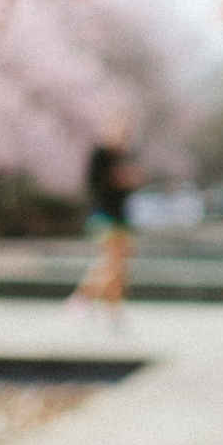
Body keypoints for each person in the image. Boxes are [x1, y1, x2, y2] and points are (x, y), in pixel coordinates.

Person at [71, 122, 143, 313]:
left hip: (122, 217)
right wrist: (117, 180)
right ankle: (83, 298)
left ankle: (113, 309)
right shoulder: (100, 155)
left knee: (120, 267)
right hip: (104, 215)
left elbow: (130, 187)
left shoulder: (125, 156)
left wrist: (130, 181)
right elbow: (94, 184)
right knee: (111, 263)